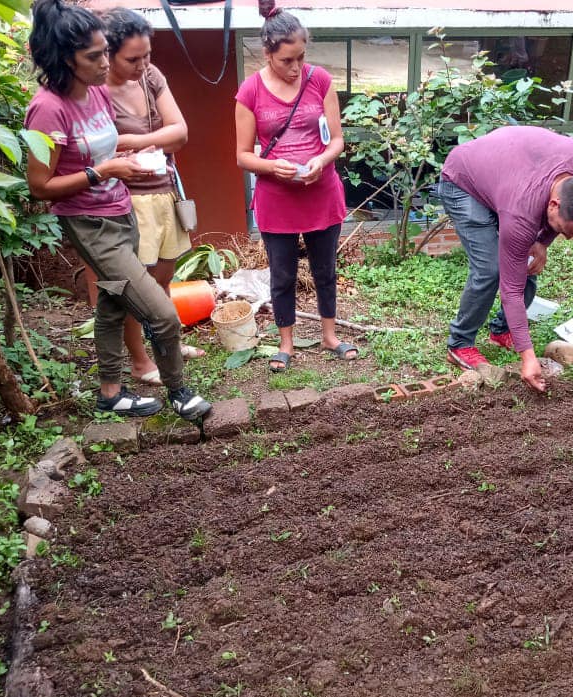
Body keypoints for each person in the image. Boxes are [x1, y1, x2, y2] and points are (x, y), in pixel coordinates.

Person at [25, 0, 211, 420]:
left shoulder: (94, 94)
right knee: (163, 315)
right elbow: (40, 186)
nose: (104, 62)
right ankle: (179, 391)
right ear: (63, 58)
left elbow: (122, 143)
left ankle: (110, 391)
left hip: (120, 209)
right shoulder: (48, 109)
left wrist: (121, 167)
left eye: (105, 52)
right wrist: (100, 172)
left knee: (113, 304)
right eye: (94, 56)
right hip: (89, 223)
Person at [85, 7, 205, 386]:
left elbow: (181, 132)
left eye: (147, 55)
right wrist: (152, 143)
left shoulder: (152, 76)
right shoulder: (96, 90)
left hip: (163, 189)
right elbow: (95, 148)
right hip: (123, 200)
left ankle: (166, 345)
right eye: (132, 58)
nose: (143, 64)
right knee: (134, 286)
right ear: (109, 54)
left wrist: (135, 141)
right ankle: (139, 362)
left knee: (164, 275)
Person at [438, 125, 573, 391]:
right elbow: (511, 290)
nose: (565, 238)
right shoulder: (521, 214)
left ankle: (501, 330)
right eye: (562, 231)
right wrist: (528, 358)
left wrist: (543, 241)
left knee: (527, 263)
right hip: (464, 181)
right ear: (553, 205)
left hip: (508, 171)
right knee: (491, 270)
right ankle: (459, 343)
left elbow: (550, 226)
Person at [234, 0, 356, 372]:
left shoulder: (319, 80)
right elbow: (242, 156)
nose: (296, 67)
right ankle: (285, 343)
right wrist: (273, 166)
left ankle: (330, 335)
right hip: (277, 196)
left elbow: (337, 139)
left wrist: (322, 160)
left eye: (300, 57)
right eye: (287, 60)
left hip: (321, 191)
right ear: (268, 54)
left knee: (325, 270)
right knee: (283, 273)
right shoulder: (250, 91)